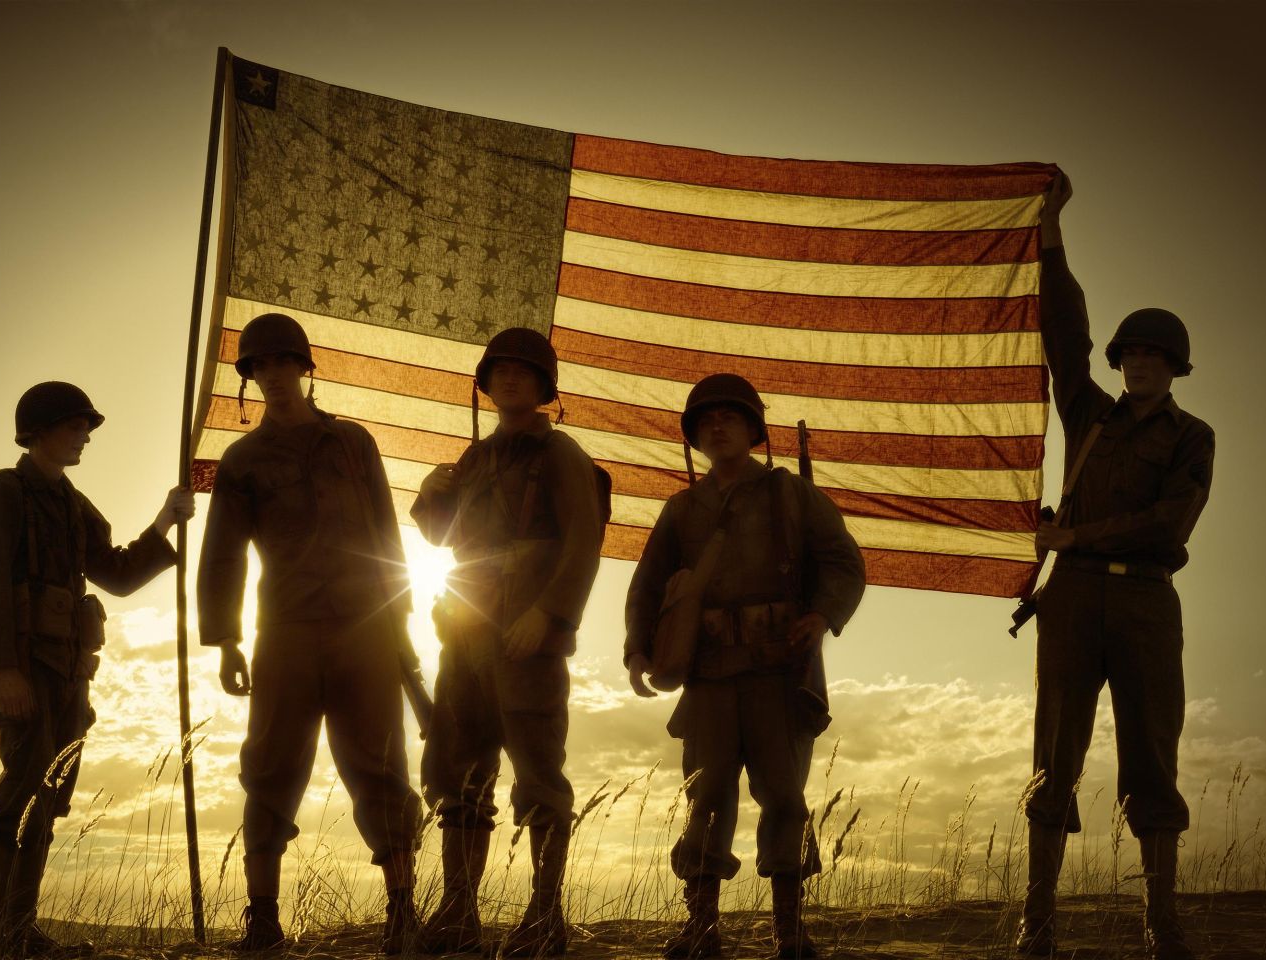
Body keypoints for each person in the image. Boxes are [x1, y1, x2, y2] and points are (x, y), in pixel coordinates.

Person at [1017, 172, 1215, 960]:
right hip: (1071, 603)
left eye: (1153, 356)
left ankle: (1159, 924)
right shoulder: (1089, 416)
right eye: (1131, 353)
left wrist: (1077, 537)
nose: (1139, 364)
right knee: (1051, 757)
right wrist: (1050, 231)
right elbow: (1064, 332)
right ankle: (1036, 925)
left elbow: (1171, 521)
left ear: (1173, 368)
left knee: (1151, 758)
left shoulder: (1191, 435)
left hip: (1144, 603)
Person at [197, 312, 424, 955]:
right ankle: (262, 921)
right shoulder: (242, 460)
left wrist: (400, 623)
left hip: (365, 629)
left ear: (304, 367)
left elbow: (387, 536)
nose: (272, 376)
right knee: (269, 770)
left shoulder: (354, 444)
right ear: (251, 377)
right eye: (258, 367)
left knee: (381, 767)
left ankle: (401, 913)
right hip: (287, 632)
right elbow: (224, 555)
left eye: (281, 363)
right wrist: (226, 639)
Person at [624, 373, 864, 960]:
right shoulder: (682, 509)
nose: (717, 425)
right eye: (707, 419)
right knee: (705, 796)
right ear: (694, 437)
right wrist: (636, 648)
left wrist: (823, 615)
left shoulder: (791, 495)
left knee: (783, 794)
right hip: (707, 674)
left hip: (779, 670)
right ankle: (702, 927)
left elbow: (844, 562)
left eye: (730, 416)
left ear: (754, 430)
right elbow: (647, 584)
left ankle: (789, 929)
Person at [0, 381, 192, 960]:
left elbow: (114, 573)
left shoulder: (71, 503)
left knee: (51, 791)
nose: (85, 434)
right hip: (21, 668)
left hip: (68, 670)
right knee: (22, 785)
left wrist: (164, 521)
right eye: (74, 425)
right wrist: (2, 670)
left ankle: (20, 928)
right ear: (38, 431)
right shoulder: (1, 493)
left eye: (86, 426)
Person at [410, 327, 603, 956]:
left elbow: (583, 541)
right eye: (500, 371)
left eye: (524, 371)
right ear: (486, 383)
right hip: (465, 633)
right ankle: (459, 912)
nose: (510, 379)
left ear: (543, 385)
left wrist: (548, 615)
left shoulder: (560, 454)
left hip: (525, 634)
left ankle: (545, 918)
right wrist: (428, 502)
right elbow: (446, 541)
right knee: (459, 773)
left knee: (539, 775)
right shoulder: (474, 460)